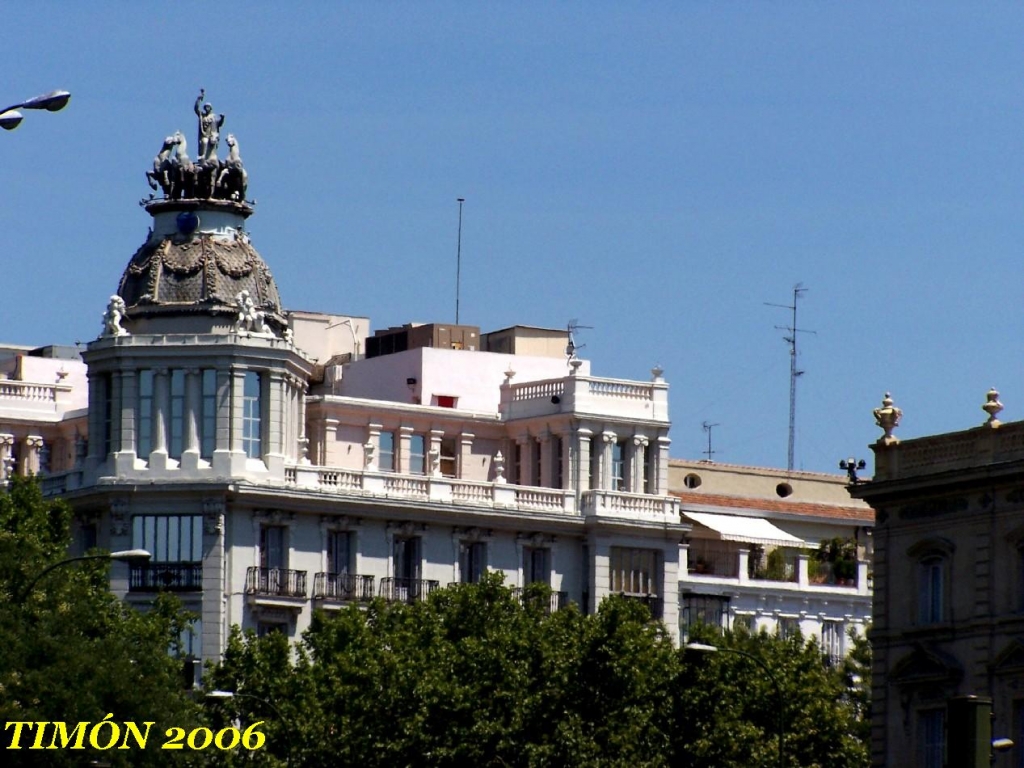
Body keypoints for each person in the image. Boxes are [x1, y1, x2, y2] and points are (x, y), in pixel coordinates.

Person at [194, 88, 225, 162]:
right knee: (204, 141)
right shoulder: (202, 116)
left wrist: (222, 118)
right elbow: (196, 109)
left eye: (208, 107)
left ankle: (210, 158)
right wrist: (199, 98)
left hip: (211, 135)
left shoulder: (214, 117)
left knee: (211, 142)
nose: (207, 108)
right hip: (204, 136)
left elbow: (219, 124)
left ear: (210, 108)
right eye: (205, 107)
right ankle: (203, 159)